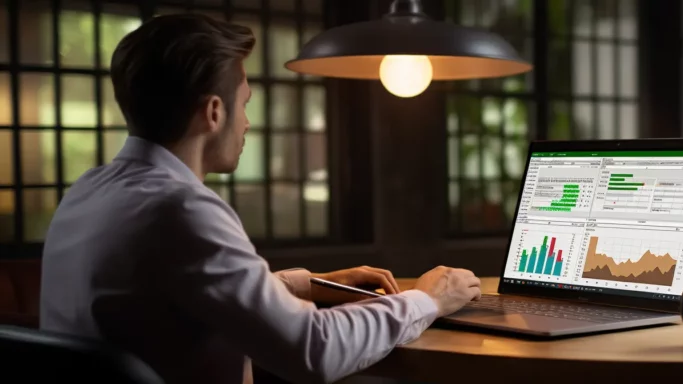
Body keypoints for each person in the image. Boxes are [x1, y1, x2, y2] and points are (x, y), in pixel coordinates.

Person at [38, 13, 481, 384]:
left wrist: (305, 283)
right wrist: (427, 300)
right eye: (245, 104)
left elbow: (171, 295)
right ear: (214, 112)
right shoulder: (182, 210)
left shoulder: (89, 191)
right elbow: (313, 350)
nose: (247, 123)